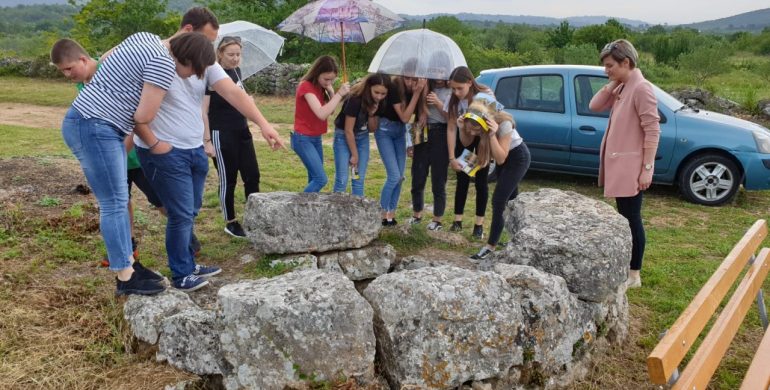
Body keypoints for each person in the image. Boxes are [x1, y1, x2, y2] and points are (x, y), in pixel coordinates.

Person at [135, 7, 285, 292]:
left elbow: (234, 93)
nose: (210, 50)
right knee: (180, 214)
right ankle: (181, 274)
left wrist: (264, 124)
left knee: (190, 211)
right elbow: (111, 69)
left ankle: (188, 264)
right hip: (165, 150)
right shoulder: (153, 54)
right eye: (207, 41)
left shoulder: (206, 61)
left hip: (192, 147)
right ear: (189, 32)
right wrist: (154, 144)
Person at [59, 30, 215, 296]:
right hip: (96, 126)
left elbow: (107, 57)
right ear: (186, 59)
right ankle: (125, 275)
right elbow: (143, 115)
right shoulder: (165, 66)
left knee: (117, 201)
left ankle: (129, 265)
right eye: (194, 70)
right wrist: (155, 142)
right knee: (114, 203)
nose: (192, 76)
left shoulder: (146, 38)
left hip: (86, 120)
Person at [51, 39, 168, 266]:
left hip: (136, 156)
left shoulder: (112, 68)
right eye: (62, 71)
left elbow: (137, 114)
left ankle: (186, 239)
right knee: (121, 202)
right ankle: (127, 248)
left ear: (83, 59)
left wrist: (121, 151)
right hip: (113, 156)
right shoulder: (82, 85)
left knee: (161, 200)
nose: (67, 74)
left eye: (69, 68)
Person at [589, 39, 660, 289]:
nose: (606, 70)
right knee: (625, 217)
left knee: (632, 219)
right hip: (622, 167)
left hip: (632, 169)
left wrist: (647, 168)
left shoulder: (641, 88)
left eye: (610, 66)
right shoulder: (623, 86)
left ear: (626, 62)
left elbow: (652, 130)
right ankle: (629, 268)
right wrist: (612, 83)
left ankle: (634, 274)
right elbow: (594, 105)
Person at [202, 37, 266, 237]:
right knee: (228, 179)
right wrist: (207, 140)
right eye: (231, 55)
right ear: (220, 54)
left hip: (242, 131)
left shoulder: (237, 72)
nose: (235, 58)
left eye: (238, 54)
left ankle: (253, 217)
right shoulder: (211, 76)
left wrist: (248, 101)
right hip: (222, 134)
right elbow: (203, 111)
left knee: (252, 175)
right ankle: (230, 222)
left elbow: (239, 100)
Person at [457, 94, 530, 260]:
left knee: (499, 201)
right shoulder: (476, 124)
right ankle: (518, 240)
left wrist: (491, 135)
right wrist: (463, 128)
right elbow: (467, 143)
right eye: (470, 129)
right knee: (513, 202)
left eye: (474, 130)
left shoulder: (504, 124)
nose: (472, 133)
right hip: (505, 159)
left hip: (517, 158)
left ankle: (490, 247)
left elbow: (501, 157)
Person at [376, 60, 426, 226]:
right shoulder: (395, 87)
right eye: (407, 78)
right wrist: (418, 93)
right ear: (401, 76)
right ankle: (381, 214)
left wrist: (413, 143)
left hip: (400, 132)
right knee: (394, 176)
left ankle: (391, 214)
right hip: (384, 131)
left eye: (414, 79)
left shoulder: (420, 89)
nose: (411, 82)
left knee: (400, 177)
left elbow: (419, 119)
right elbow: (405, 117)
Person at [291, 55, 350, 193]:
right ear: (317, 73)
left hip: (316, 138)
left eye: (332, 79)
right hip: (302, 138)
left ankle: (308, 211)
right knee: (320, 179)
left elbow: (331, 111)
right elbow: (321, 113)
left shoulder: (320, 87)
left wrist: (330, 91)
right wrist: (339, 94)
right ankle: (299, 206)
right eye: (326, 79)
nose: (328, 82)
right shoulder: (306, 86)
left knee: (313, 178)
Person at [446, 66, 492, 239]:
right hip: (463, 139)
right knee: (462, 179)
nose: (456, 92)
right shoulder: (453, 101)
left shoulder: (484, 95)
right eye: (453, 88)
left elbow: (491, 124)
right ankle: (457, 221)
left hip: (482, 141)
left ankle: (478, 225)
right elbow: (451, 129)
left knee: (481, 182)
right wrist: (452, 157)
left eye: (460, 88)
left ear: (470, 83)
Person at [332, 73, 390, 196]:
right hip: (344, 136)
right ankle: (336, 212)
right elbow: (348, 130)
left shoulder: (381, 102)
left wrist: (372, 114)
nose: (379, 97)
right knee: (342, 179)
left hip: (362, 137)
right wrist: (354, 155)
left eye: (383, 94)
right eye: (376, 92)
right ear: (369, 88)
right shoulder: (355, 99)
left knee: (358, 179)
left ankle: (357, 212)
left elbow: (372, 129)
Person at [407, 76, 451, 231]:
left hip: (442, 133)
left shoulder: (451, 90)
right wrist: (411, 142)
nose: (439, 75)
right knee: (417, 176)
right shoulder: (424, 84)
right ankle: (416, 214)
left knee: (438, 179)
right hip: (422, 131)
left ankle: (437, 219)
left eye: (442, 71)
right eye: (435, 71)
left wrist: (439, 104)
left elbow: (451, 119)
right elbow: (415, 115)